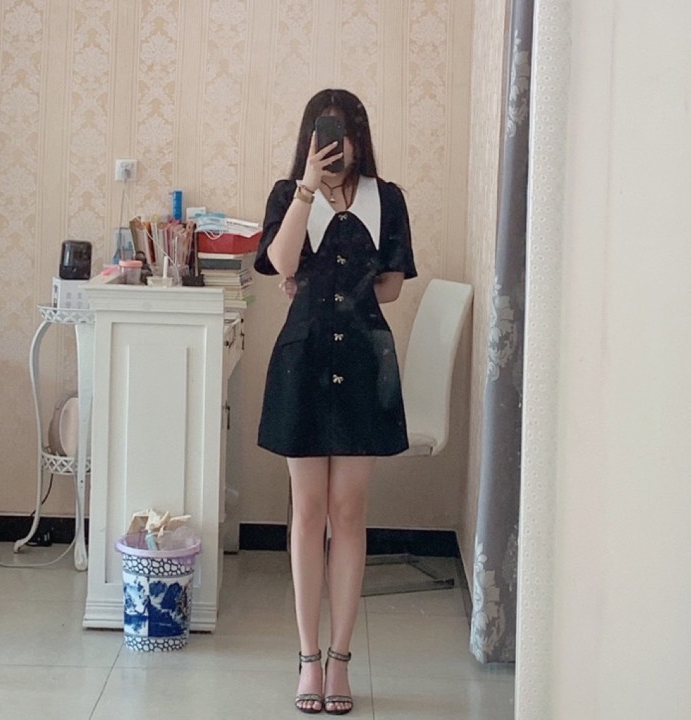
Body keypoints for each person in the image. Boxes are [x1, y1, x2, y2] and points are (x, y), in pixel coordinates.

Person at [254, 89, 417, 715]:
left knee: (348, 512)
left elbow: (393, 287)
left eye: (345, 132)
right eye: (325, 132)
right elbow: (279, 263)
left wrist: (327, 280)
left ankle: (340, 659)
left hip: (364, 362)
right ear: (309, 137)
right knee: (308, 511)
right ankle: (307, 659)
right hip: (302, 360)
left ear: (361, 138)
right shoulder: (287, 193)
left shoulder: (387, 198)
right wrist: (306, 191)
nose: (335, 144)